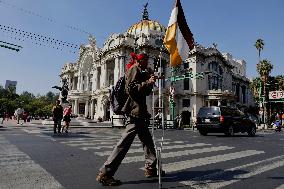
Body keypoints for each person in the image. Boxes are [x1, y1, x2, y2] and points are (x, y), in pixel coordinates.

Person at [96, 53, 161, 186]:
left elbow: (144, 90)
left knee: (148, 143)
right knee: (123, 144)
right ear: (138, 60)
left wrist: (150, 81)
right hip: (135, 113)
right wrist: (148, 82)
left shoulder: (140, 71)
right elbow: (131, 89)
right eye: (144, 60)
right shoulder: (133, 69)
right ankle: (105, 173)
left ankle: (151, 168)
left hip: (140, 113)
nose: (146, 62)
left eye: (147, 60)